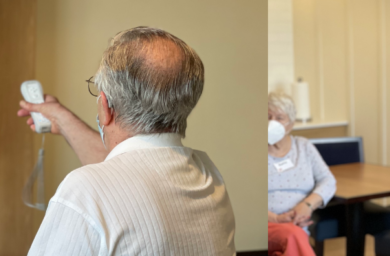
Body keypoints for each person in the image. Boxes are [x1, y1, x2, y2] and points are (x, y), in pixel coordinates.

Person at [18, 26, 236, 256]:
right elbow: (129, 174)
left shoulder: (84, 190)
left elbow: (116, 183)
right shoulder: (208, 174)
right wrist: (62, 119)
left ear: (105, 106)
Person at [268, 92, 336, 256]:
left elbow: (328, 180)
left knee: (289, 245)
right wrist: (275, 218)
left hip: (297, 225)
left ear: (290, 124)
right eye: (268, 116)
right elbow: (243, 197)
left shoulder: (303, 147)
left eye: (279, 118)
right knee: (293, 236)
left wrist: (307, 206)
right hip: (264, 225)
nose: (271, 123)